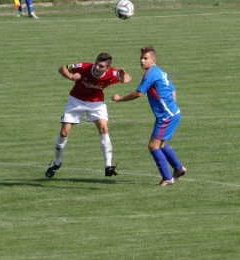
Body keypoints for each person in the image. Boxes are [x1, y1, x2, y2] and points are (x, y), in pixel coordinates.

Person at [46, 53, 131, 178]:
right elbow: (62, 68)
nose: (96, 67)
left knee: (104, 128)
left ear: (107, 68)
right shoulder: (83, 67)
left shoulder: (112, 73)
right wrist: (70, 76)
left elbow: (128, 78)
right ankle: (57, 162)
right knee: (64, 133)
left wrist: (124, 79)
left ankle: (108, 166)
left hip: (96, 103)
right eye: (96, 63)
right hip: (76, 100)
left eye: (101, 66)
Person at [111, 46, 187, 186]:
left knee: (153, 146)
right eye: (141, 58)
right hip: (172, 113)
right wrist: (171, 107)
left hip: (166, 117)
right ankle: (178, 169)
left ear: (153, 60)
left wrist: (120, 99)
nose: (142, 61)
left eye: (145, 58)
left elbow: (139, 93)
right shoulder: (160, 72)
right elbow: (173, 91)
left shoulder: (150, 74)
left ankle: (167, 178)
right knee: (160, 144)